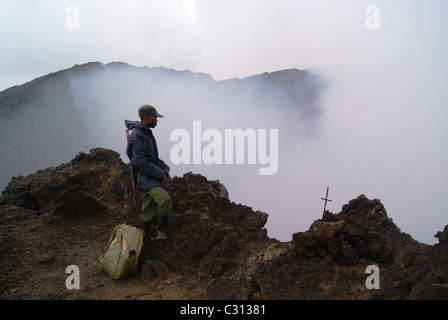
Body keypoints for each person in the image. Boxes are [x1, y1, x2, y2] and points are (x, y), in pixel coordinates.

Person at [125, 104, 172, 242]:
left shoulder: (145, 132)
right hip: (146, 178)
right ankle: (161, 232)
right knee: (164, 201)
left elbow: (151, 158)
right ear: (146, 118)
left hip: (149, 176)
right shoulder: (138, 135)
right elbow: (138, 161)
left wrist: (163, 169)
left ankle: (143, 239)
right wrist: (159, 175)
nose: (157, 120)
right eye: (155, 118)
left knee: (148, 208)